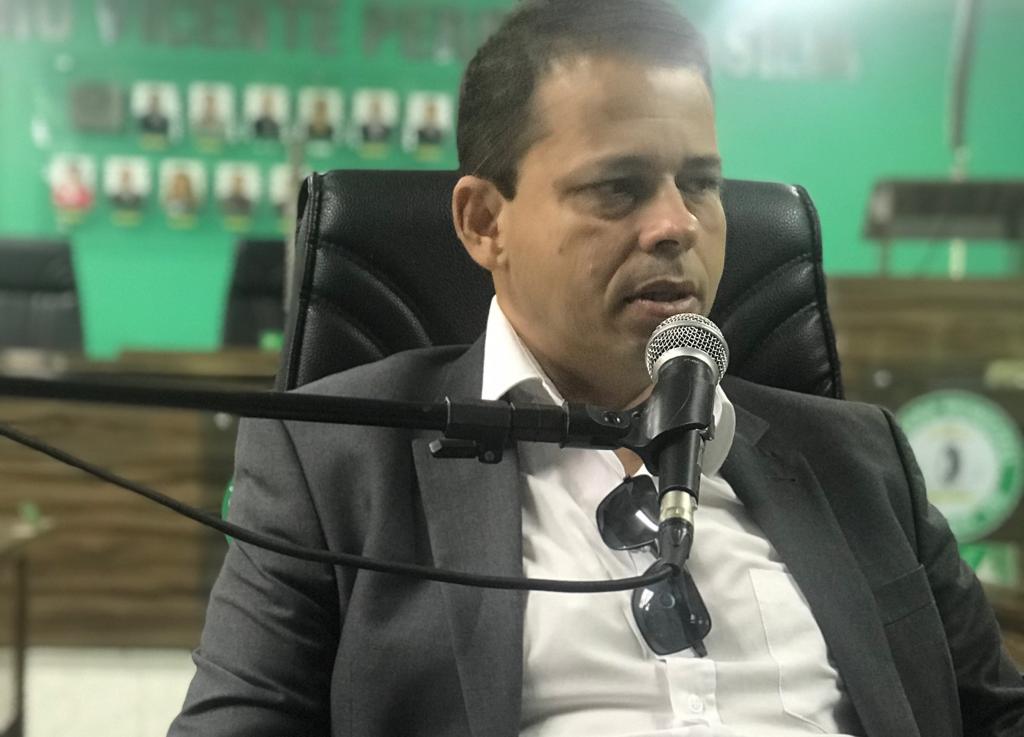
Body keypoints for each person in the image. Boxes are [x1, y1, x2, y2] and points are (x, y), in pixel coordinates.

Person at [171, 1, 1024, 736]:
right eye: (619, 188)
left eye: (701, 182)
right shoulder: (333, 459)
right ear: (483, 222)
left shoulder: (862, 459)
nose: (677, 225)